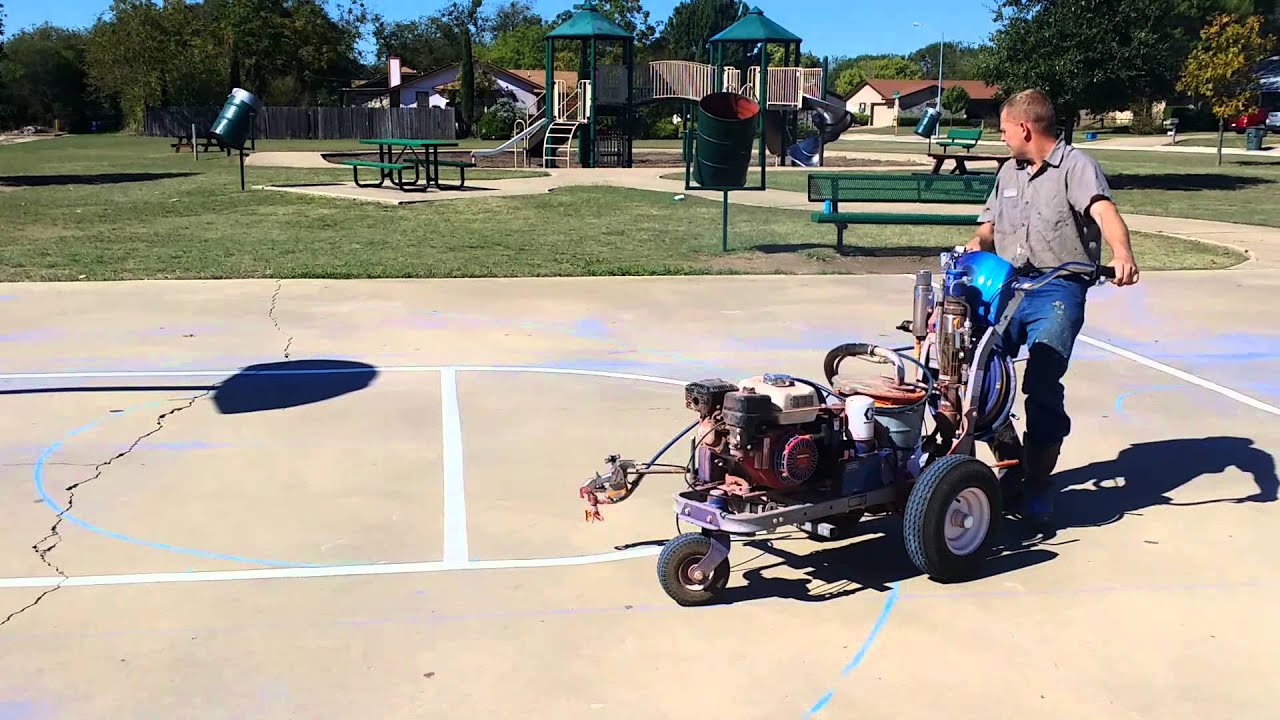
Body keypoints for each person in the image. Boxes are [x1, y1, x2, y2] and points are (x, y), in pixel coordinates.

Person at [964, 88, 1139, 530]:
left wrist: (1123, 254)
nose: (1001, 138)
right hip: (1007, 287)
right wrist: (975, 246)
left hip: (1057, 290)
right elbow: (987, 227)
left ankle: (1038, 481)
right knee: (974, 373)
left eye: (1004, 130)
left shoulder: (1076, 167)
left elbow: (1104, 213)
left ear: (1024, 128)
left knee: (1041, 380)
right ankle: (1010, 464)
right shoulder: (1008, 172)